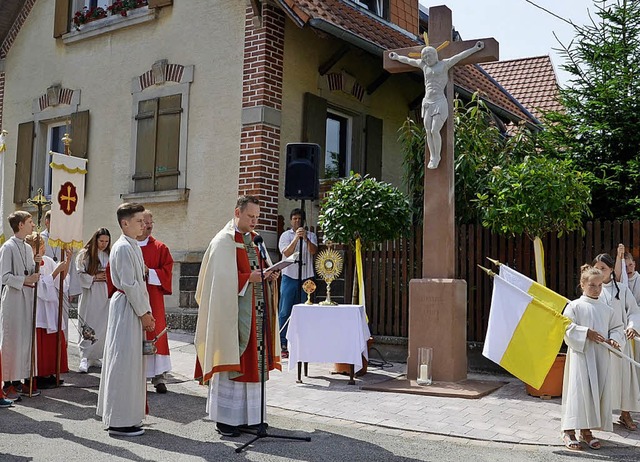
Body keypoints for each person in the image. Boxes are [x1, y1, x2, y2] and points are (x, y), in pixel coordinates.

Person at [194, 195, 281, 437]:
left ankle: (251, 418)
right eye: (251, 216)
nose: (255, 221)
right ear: (237, 212)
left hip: (257, 314)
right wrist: (246, 279)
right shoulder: (223, 241)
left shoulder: (257, 241)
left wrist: (271, 276)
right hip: (231, 318)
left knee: (254, 364)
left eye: (257, 217)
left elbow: (264, 268)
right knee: (233, 362)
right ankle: (226, 419)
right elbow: (217, 282)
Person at [96, 203, 155, 437]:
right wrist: (144, 314)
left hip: (133, 307)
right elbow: (129, 285)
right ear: (125, 223)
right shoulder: (121, 247)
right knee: (123, 363)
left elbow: (138, 283)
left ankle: (128, 416)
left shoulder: (133, 246)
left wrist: (146, 310)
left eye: (144, 220)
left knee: (131, 363)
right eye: (139, 221)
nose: (144, 224)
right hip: (126, 308)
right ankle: (120, 420)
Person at [389, 40, 484, 169]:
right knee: (428, 131)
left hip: (439, 101)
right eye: (425, 57)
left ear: (436, 55)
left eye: (429, 56)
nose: (427, 58)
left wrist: (475, 49)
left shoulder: (444, 64)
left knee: (434, 130)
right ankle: (433, 156)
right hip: (427, 102)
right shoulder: (423, 66)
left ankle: (437, 156)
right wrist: (397, 57)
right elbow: (409, 61)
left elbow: (460, 56)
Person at [561, 264, 624, 450]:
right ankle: (569, 430)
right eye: (592, 286)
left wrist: (614, 339)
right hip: (581, 356)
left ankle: (586, 430)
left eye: (599, 285)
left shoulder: (607, 309)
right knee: (578, 392)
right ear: (582, 285)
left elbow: (617, 327)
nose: (596, 289)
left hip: (600, 357)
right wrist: (585, 332)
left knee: (594, 393)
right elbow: (566, 328)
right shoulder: (574, 306)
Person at [592, 253, 640, 431]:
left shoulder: (622, 289)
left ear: (612, 269)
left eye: (603, 268)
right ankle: (599, 416)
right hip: (600, 343)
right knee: (602, 379)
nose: (599, 271)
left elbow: (634, 311)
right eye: (596, 268)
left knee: (623, 378)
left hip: (620, 342)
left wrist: (633, 326)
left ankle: (625, 413)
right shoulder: (591, 290)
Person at [0, 211, 40, 400]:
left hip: (26, 297)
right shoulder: (7, 247)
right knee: (12, 340)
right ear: (21, 225)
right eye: (30, 222)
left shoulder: (25, 247)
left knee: (24, 339)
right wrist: (26, 278)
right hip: (14, 299)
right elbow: (4, 277)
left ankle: (19, 380)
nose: (33, 225)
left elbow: (30, 271)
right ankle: (7, 384)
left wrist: (37, 265)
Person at [25, 233, 71, 389]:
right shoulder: (29, 263)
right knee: (40, 342)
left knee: (53, 340)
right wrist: (56, 272)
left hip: (50, 307)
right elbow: (40, 286)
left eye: (43, 246)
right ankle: (40, 374)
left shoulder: (50, 261)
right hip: (38, 306)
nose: (42, 250)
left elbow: (60, 283)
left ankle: (52, 371)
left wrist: (67, 262)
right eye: (37, 248)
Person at [137, 210, 173, 394]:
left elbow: (167, 272)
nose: (150, 226)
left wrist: (149, 272)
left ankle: (159, 377)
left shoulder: (160, 248)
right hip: (135, 299)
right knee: (136, 336)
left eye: (152, 222)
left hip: (154, 298)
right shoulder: (129, 246)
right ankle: (137, 376)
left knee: (156, 333)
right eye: (146, 222)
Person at [278, 208, 317, 357]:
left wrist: (305, 238)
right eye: (294, 219)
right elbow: (286, 252)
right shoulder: (285, 235)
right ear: (290, 220)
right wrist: (296, 238)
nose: (297, 221)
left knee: (305, 310)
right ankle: (282, 342)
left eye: (299, 219)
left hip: (306, 277)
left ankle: (303, 341)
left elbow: (313, 251)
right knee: (285, 310)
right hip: (289, 275)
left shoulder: (311, 235)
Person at [76, 228, 111, 373]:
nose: (103, 244)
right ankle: (84, 356)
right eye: (101, 241)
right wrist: (94, 277)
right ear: (95, 239)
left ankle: (96, 356)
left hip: (105, 293)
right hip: (90, 292)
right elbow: (78, 274)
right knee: (88, 322)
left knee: (103, 324)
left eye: (106, 241)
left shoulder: (109, 254)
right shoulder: (84, 254)